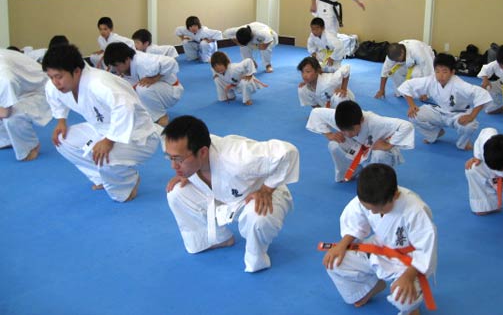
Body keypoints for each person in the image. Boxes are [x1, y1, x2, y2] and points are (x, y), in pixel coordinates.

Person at [163, 115, 299, 273]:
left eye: (178, 159)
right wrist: (186, 172)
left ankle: (256, 256)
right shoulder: (188, 149)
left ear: (202, 152)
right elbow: (181, 156)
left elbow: (288, 152)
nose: (173, 166)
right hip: (224, 194)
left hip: (259, 195)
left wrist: (267, 189)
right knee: (176, 192)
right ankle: (218, 239)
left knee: (258, 217)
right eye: (170, 158)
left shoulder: (238, 156)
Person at [43, 44, 161, 202]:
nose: (55, 82)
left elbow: (125, 107)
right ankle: (101, 177)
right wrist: (61, 121)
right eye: (51, 77)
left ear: (76, 71)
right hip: (101, 128)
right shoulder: (55, 85)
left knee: (106, 159)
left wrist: (109, 140)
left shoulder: (99, 83)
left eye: (58, 77)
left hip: (137, 134)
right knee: (62, 139)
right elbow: (53, 97)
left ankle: (127, 183)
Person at [323, 163, 437, 315]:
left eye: (380, 209)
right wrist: (342, 245)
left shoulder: (415, 210)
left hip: (408, 262)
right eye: (369, 208)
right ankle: (372, 286)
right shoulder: (369, 196)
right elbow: (356, 221)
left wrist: (408, 277)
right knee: (335, 263)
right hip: (379, 248)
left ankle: (412, 307)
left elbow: (425, 249)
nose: (374, 212)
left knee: (403, 299)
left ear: (395, 195)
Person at [398, 53, 492, 150]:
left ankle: (463, 143)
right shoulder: (431, 80)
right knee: (414, 115)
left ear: (452, 72)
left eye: (444, 71)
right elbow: (408, 85)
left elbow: (482, 94)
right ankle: (434, 134)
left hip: (458, 115)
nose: (440, 75)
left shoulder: (459, 84)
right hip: (439, 112)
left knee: (470, 126)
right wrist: (412, 105)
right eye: (437, 71)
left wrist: (472, 115)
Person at [306, 101, 414, 182]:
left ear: (361, 120)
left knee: (380, 154)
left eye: (351, 130)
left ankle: (380, 182)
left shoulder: (376, 121)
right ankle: (351, 172)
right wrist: (329, 134)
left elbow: (406, 126)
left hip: (375, 149)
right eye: (343, 130)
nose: (348, 133)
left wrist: (389, 145)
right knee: (334, 144)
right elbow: (316, 112)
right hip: (357, 147)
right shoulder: (337, 116)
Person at [104, 42, 183, 126]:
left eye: (116, 66)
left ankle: (162, 118)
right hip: (157, 89)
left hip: (171, 90)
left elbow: (171, 62)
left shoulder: (144, 61)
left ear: (127, 59)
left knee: (142, 88)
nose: (115, 69)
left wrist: (155, 78)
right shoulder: (124, 65)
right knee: (124, 88)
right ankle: (148, 115)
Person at [0, 49, 52, 161]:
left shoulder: (4, 76)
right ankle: (6, 139)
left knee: (12, 117)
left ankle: (30, 147)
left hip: (41, 90)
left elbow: (5, 113)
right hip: (22, 88)